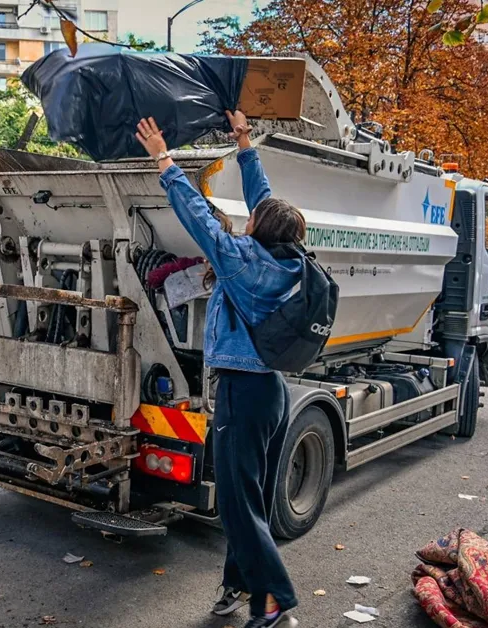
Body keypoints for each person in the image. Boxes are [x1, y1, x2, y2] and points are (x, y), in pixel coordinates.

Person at [135, 112, 303, 628]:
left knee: (234, 505)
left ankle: (273, 600)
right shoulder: (287, 256)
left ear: (257, 230)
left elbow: (198, 219)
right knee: (244, 495)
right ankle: (237, 586)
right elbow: (266, 202)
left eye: (252, 217)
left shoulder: (242, 261)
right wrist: (245, 144)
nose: (246, 218)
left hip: (242, 394)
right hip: (268, 390)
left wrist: (164, 158)